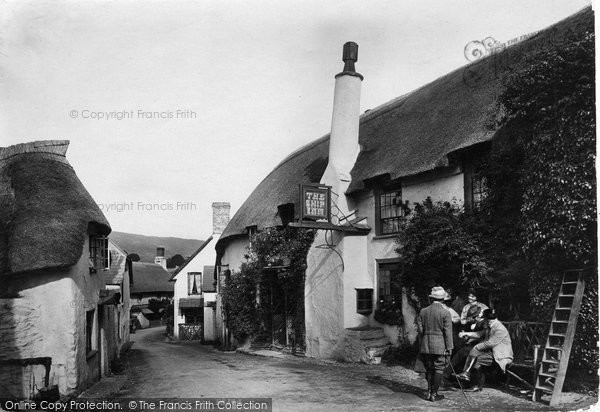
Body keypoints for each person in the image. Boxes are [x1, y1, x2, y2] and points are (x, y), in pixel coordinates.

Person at [454, 309, 514, 392]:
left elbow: (490, 343)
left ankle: (474, 382)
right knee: (475, 356)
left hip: (501, 355)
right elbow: (480, 334)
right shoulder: (491, 325)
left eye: (485, 319)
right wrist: (466, 333)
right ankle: (468, 377)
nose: (484, 320)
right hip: (492, 352)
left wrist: (476, 347)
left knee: (477, 358)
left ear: (488, 319)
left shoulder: (500, 329)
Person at [418, 286, 453, 402]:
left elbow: (421, 330)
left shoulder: (423, 311)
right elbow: (448, 332)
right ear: (443, 299)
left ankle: (428, 392)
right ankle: (434, 394)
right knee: (439, 368)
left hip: (426, 344)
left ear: (432, 298)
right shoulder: (445, 313)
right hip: (440, 345)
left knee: (429, 368)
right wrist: (449, 347)